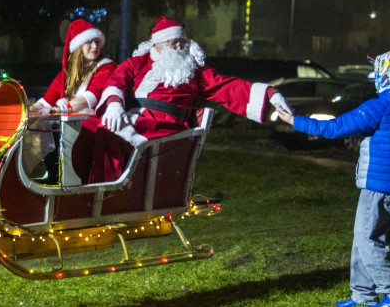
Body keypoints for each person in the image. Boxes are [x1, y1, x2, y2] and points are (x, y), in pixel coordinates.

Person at [275, 50, 390, 307]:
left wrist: (293, 120)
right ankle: (363, 294)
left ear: (386, 74)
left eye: (377, 70)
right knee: (365, 238)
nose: (374, 76)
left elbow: (334, 128)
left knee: (369, 240)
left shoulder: (380, 105)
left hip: (377, 184)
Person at [81, 16, 292, 184]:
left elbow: (226, 85)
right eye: (175, 43)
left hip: (168, 125)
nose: (181, 49)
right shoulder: (137, 62)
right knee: (85, 126)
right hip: (139, 118)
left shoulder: (194, 70)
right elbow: (115, 81)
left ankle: (105, 190)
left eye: (183, 43)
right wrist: (114, 105)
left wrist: (271, 94)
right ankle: (80, 184)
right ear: (158, 44)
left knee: (109, 131)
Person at [27, 20, 115, 184]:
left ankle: (62, 178)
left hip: (93, 123)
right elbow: (44, 103)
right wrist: (26, 112)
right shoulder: (65, 75)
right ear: (78, 46)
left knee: (52, 123)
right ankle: (45, 174)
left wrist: (57, 109)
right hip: (70, 121)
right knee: (33, 125)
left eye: (97, 42)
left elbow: (89, 98)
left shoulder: (105, 67)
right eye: (89, 42)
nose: (95, 47)